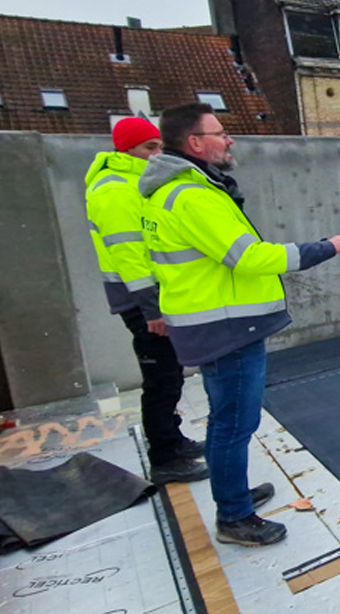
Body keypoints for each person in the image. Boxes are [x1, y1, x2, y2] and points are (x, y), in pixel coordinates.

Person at [139, 103, 340, 546]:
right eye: (220, 133)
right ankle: (234, 517)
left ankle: (234, 495)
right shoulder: (193, 196)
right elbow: (249, 257)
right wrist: (323, 248)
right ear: (195, 143)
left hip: (213, 321)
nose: (229, 140)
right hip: (225, 327)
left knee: (230, 420)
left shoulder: (172, 190)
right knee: (233, 424)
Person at [85, 118, 207, 485]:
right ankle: (165, 458)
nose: (157, 154)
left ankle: (174, 439)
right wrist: (152, 310)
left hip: (155, 299)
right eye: (148, 148)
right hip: (143, 304)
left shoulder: (135, 183)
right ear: (126, 150)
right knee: (161, 379)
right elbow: (129, 255)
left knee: (170, 374)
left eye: (159, 146)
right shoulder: (115, 188)